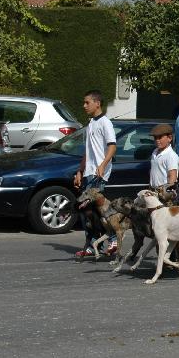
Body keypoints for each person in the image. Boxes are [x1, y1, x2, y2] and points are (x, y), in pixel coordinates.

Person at [73, 90, 117, 258]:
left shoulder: (105, 122)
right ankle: (92, 245)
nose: (84, 106)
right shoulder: (91, 123)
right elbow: (88, 151)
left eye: (87, 102)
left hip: (99, 174)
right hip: (89, 172)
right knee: (87, 212)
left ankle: (113, 239)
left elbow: (112, 146)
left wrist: (103, 165)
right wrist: (80, 170)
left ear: (97, 103)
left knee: (99, 210)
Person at [149, 123, 179, 189]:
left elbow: (172, 176)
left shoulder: (171, 155)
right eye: (155, 138)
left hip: (165, 193)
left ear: (170, 138)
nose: (157, 140)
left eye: (160, 137)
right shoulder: (155, 152)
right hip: (154, 190)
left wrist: (167, 192)